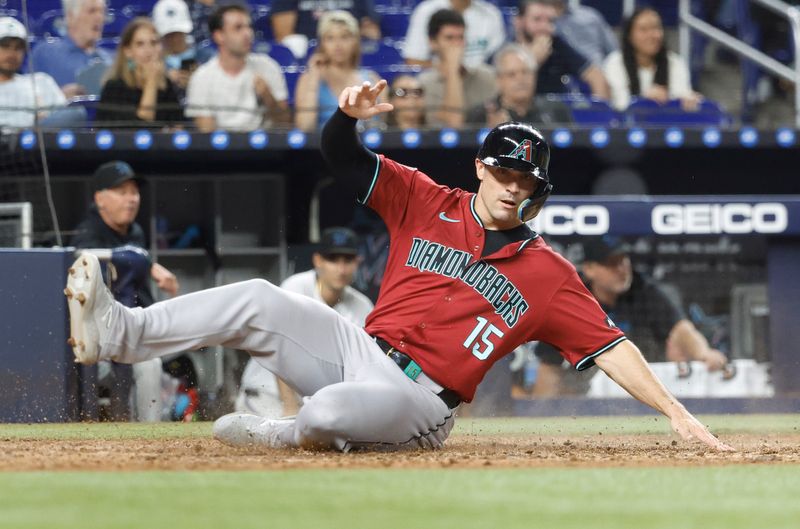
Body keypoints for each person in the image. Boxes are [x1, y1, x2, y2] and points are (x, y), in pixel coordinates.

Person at [64, 80, 733, 453]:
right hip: (360, 347)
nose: (510, 186)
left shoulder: (549, 273)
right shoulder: (425, 199)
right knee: (260, 299)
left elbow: (611, 347)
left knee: (335, 411)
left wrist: (676, 412)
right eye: (501, 170)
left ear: (537, 193)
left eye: (524, 181)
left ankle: (283, 432)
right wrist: (344, 117)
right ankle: (120, 331)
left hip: (423, 402)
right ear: (479, 167)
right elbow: (342, 157)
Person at [533, 236, 729, 396]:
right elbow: (549, 366)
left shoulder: (643, 289)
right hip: (584, 397)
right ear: (590, 269)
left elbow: (681, 329)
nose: (621, 269)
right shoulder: (571, 301)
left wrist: (703, 353)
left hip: (644, 388)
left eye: (623, 260)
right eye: (611, 263)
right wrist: (543, 412)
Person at [71, 161, 180, 421]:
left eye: (134, 192)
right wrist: (148, 263)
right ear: (100, 198)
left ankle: (146, 436)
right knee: (146, 365)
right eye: (122, 192)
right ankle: (141, 435)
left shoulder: (135, 232)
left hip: (130, 334)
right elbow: (88, 260)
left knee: (163, 355)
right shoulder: (88, 233)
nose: (131, 199)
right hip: (95, 347)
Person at [236, 227, 374, 418]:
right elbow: (280, 348)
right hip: (266, 396)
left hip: (311, 406)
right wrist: (290, 405)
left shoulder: (362, 306)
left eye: (348, 260)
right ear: (318, 260)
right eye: (333, 260)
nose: (341, 269)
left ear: (357, 263)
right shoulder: (295, 289)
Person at [186, 4, 290, 132]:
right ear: (219, 36)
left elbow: (285, 123)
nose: (248, 33)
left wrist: (268, 96)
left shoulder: (268, 66)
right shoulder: (202, 77)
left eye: (249, 27)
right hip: (220, 149)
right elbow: (206, 132)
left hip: (264, 147)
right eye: (238, 28)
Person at [294, 10, 381, 131]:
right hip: (322, 148)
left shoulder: (373, 79)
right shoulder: (307, 79)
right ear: (322, 44)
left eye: (344, 37)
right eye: (330, 38)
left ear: (355, 41)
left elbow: (380, 129)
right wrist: (313, 79)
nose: (338, 44)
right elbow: (305, 127)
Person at [603, 7, 702, 111]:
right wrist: (645, 100)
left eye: (656, 28)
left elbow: (681, 96)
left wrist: (690, 101)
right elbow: (620, 105)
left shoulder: (675, 62)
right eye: (644, 29)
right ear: (629, 36)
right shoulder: (614, 62)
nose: (653, 35)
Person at [96, 18, 185, 125]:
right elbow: (140, 131)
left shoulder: (166, 85)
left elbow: (179, 126)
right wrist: (151, 82)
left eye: (153, 43)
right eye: (140, 44)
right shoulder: (114, 87)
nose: (148, 50)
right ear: (128, 51)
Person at [0, 17, 85, 129]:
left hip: (34, 142)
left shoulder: (41, 82)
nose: (12, 54)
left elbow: (67, 117)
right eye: (5, 47)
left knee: (78, 112)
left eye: (18, 48)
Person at [514, 0, 609, 99]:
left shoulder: (556, 44)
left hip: (555, 109)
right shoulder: (508, 50)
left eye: (550, 21)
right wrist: (533, 61)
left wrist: (599, 112)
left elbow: (597, 78)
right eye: (537, 19)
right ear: (519, 22)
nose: (544, 27)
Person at [418, 9, 496, 128]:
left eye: (460, 38)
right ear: (433, 42)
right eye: (449, 38)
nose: (457, 44)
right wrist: (453, 70)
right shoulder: (424, 83)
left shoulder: (486, 77)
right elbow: (453, 124)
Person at [466, 43, 572, 127]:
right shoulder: (481, 115)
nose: (520, 79)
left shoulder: (556, 110)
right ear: (499, 80)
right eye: (511, 74)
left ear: (535, 75)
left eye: (525, 72)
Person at [30, 0, 112, 98]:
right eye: (92, 11)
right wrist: (59, 97)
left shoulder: (113, 59)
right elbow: (29, 100)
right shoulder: (45, 54)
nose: (99, 17)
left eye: (102, 12)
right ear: (70, 17)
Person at [402, 0, 506, 69]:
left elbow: (500, 61)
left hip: (481, 83)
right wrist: (452, 70)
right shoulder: (425, 11)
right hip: (437, 82)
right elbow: (413, 61)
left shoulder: (492, 14)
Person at [270, 0, 381, 59]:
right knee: (294, 42)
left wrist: (343, 38)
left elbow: (372, 31)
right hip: (306, 53)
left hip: (348, 49)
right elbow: (283, 35)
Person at [152, 0, 214, 98]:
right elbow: (129, 66)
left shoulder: (208, 58)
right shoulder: (151, 63)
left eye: (178, 33)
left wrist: (200, 78)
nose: (174, 39)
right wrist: (164, 78)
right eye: (168, 35)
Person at [552, 0, 617, 67]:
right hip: (558, 74)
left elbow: (614, 53)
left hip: (599, 71)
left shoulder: (591, 16)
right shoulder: (544, 23)